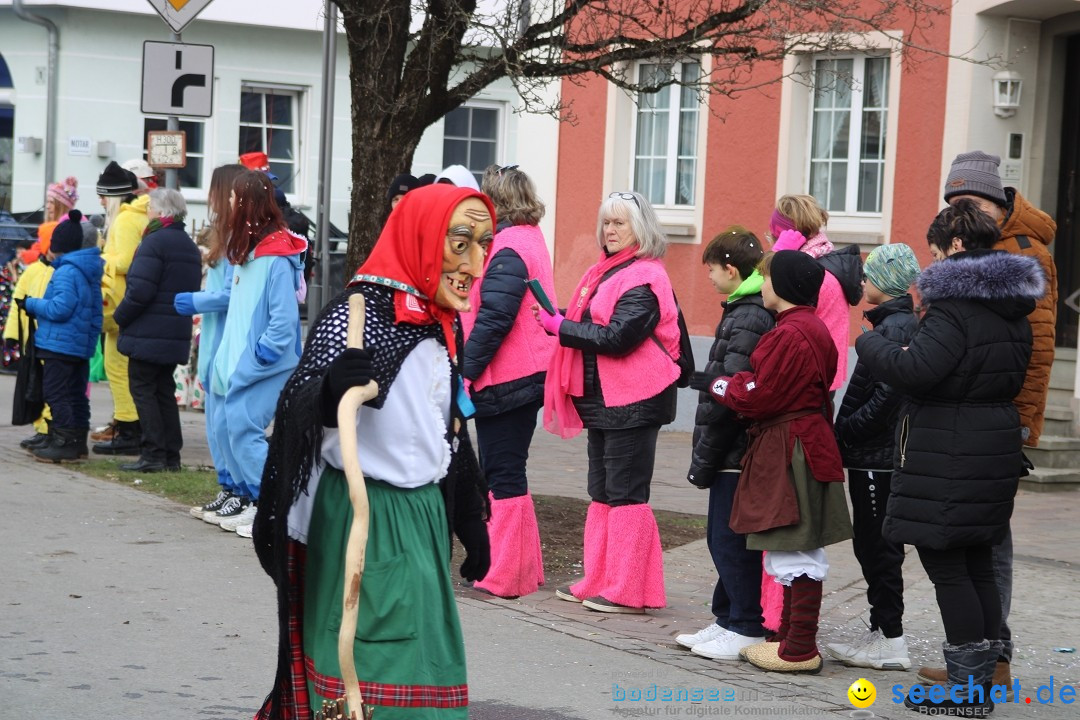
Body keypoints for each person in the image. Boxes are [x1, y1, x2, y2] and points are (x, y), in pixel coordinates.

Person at [251, 183, 493, 719]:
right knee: (374, 664)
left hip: (422, 517)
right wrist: (331, 388)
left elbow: (444, 431)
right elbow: (299, 403)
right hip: (369, 514)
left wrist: (467, 516)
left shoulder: (437, 322)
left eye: (484, 244)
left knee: (424, 655)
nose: (476, 264)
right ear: (424, 239)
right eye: (461, 243)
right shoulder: (358, 315)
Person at [855, 200, 1042, 715]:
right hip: (992, 441)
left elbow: (917, 371)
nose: (932, 264)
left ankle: (967, 694)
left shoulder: (954, 308)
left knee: (947, 564)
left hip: (950, 446)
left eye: (935, 252)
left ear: (956, 247)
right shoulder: (1013, 308)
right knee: (976, 560)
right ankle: (978, 686)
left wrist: (868, 346)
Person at [925, 151, 1059, 691]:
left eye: (972, 202)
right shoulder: (971, 246)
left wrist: (1022, 424)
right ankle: (983, 658)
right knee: (978, 536)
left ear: (998, 201)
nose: (963, 211)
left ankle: (993, 658)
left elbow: (1039, 348)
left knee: (987, 540)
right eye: (954, 203)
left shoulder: (1024, 252)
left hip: (996, 421)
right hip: (971, 417)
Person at [705, 250, 853, 673]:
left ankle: (799, 648)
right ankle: (790, 640)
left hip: (793, 448)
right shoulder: (806, 328)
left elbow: (759, 395)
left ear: (784, 286)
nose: (762, 284)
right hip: (798, 441)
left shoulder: (791, 333)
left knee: (796, 546)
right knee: (792, 545)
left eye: (767, 278)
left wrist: (723, 384)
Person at [543, 190, 680, 614]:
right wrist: (560, 317)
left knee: (626, 493)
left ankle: (628, 589)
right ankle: (599, 579)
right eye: (607, 222)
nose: (611, 230)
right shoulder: (606, 271)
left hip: (635, 398)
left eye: (620, 222)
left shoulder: (645, 277)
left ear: (640, 229)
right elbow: (596, 322)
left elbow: (619, 338)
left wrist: (560, 326)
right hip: (606, 398)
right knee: (601, 490)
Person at [678, 227, 774, 660]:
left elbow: (730, 390)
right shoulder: (742, 307)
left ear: (732, 270)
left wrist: (711, 449)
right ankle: (727, 619)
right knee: (721, 537)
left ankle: (746, 625)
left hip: (735, 450)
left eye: (713, 270)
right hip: (729, 448)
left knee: (728, 539)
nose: (711, 278)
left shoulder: (750, 314)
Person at [823, 243, 921, 671]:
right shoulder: (892, 322)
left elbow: (885, 399)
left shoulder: (896, 328)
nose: (862, 282)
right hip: (871, 456)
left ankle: (891, 639)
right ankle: (882, 632)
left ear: (888, 281)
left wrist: (845, 431)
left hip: (876, 460)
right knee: (872, 545)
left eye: (870, 275)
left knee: (878, 547)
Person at [460, 165, 556, 598]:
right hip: (522, 373)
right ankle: (521, 567)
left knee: (503, 475)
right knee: (505, 471)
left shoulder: (508, 248)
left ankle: (506, 573)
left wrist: (466, 371)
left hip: (508, 377)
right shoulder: (527, 239)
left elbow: (494, 319)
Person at [208, 170, 306, 536]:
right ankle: (253, 499)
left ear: (247, 204)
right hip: (242, 363)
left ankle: (273, 507)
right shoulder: (249, 250)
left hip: (267, 366)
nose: (229, 204)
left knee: (243, 426)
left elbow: (282, 321)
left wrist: (260, 356)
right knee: (227, 424)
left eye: (235, 198)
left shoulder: (276, 257)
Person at [112, 189, 202, 473]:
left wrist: (120, 316)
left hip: (148, 331)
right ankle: (170, 456)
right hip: (173, 329)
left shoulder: (154, 242)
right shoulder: (187, 244)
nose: (148, 211)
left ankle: (152, 455)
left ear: (162, 213)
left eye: (151, 207)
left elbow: (140, 290)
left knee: (144, 390)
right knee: (163, 391)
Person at [177, 164, 246, 516]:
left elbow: (234, 294)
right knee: (214, 421)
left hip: (226, 340)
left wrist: (195, 300)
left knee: (226, 421)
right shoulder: (223, 233)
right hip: (213, 338)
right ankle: (227, 484)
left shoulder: (239, 238)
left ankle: (240, 488)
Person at [19, 211, 103, 463]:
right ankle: (76, 441)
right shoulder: (88, 270)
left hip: (60, 344)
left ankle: (64, 440)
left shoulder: (68, 271)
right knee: (76, 393)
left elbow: (60, 308)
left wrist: (32, 304)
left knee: (56, 392)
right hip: (77, 343)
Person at [767, 195, 863, 392]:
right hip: (822, 372)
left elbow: (770, 301)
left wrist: (778, 256)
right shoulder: (823, 262)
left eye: (772, 236)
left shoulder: (811, 275)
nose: (769, 240)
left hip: (809, 377)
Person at [92, 161, 149, 456]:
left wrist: (102, 262)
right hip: (129, 302)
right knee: (123, 367)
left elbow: (126, 260)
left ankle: (128, 430)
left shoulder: (125, 221)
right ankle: (130, 428)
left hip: (119, 303)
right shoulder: (134, 216)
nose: (100, 200)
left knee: (117, 367)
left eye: (103, 195)